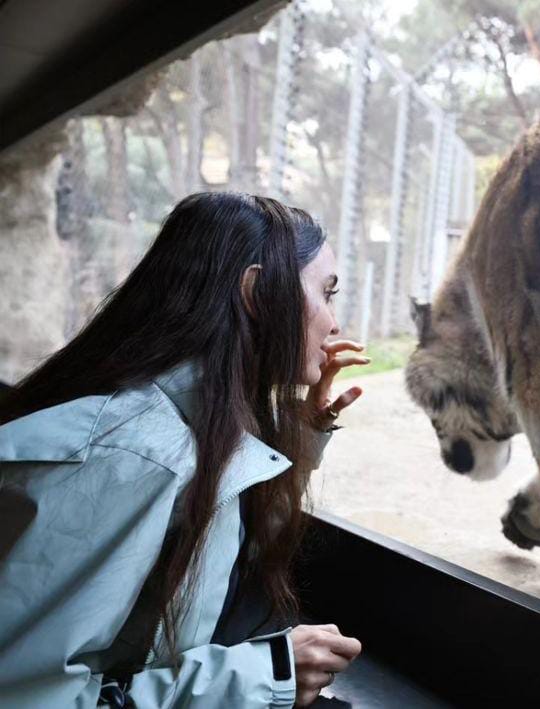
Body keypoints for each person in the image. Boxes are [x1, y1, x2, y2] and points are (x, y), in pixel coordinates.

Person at [0, 192, 366, 707]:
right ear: (257, 293)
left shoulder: (189, 424)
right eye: (326, 295)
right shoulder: (129, 455)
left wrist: (303, 432)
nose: (334, 323)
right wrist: (266, 675)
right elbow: (26, 698)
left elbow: (215, 560)